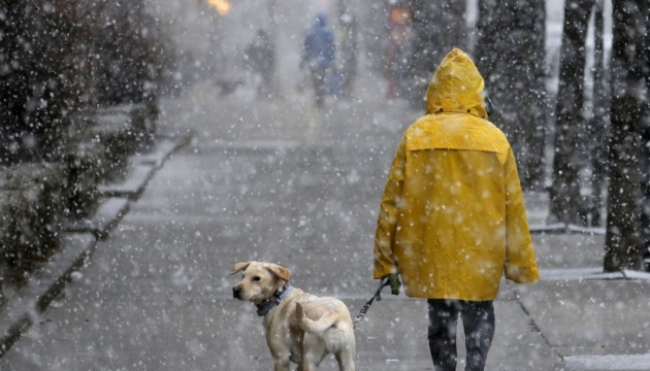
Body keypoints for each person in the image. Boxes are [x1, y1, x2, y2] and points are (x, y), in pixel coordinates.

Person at [373, 48, 540, 371]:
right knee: (479, 313)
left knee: (441, 317)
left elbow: (391, 202)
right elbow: (513, 206)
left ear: (434, 90)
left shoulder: (416, 134)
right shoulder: (495, 139)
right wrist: (520, 264)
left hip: (431, 248)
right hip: (481, 248)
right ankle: (475, 365)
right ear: (476, 91)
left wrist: (386, 261)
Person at [301, 13, 335, 108]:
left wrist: (304, 60)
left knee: (315, 80)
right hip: (324, 63)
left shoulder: (311, 32)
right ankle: (321, 97)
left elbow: (306, 47)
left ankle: (317, 97)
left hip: (314, 62)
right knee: (322, 80)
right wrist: (331, 59)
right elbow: (331, 48)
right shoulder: (328, 32)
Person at [244, 29, 274, 98]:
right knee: (262, 80)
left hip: (259, 66)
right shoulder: (266, 45)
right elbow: (271, 56)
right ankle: (261, 93)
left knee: (260, 80)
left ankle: (260, 93)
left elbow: (248, 52)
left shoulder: (255, 44)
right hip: (262, 66)